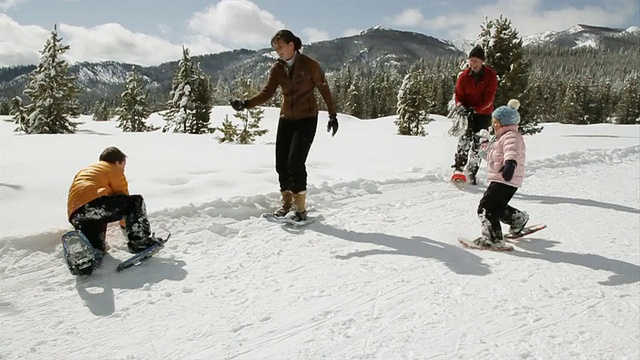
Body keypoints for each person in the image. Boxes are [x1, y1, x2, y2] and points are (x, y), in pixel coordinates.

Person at [230, 29, 338, 222]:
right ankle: (287, 203)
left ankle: (300, 207)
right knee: (281, 163)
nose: (277, 51)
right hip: (286, 118)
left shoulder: (310, 65)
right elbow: (267, 93)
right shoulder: (278, 69)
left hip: (307, 118)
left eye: (280, 46)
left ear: (292, 45)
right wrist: (245, 104)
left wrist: (332, 115)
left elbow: (324, 89)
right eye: (275, 48)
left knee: (295, 162)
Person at [67, 146, 163, 257]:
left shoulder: (87, 171)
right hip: (95, 205)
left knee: (96, 249)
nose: (123, 169)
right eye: (124, 165)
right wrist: (127, 227)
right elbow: (123, 197)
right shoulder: (113, 169)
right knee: (136, 201)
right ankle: (140, 242)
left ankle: (85, 261)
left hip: (77, 214)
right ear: (117, 162)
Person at [474, 99, 529, 248]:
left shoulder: (511, 136)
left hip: (505, 177)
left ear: (503, 123)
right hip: (503, 178)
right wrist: (484, 145)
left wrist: (510, 164)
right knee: (497, 207)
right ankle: (517, 219)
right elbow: (490, 156)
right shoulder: (499, 138)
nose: (493, 125)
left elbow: (512, 151)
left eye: (495, 122)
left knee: (485, 208)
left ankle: (493, 239)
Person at [451, 45, 498, 185]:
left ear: (482, 62)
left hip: (483, 114)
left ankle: (471, 171)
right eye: (471, 60)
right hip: (466, 112)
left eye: (476, 61)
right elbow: (458, 95)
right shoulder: (464, 77)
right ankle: (458, 169)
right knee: (464, 139)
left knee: (478, 142)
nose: (473, 64)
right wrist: (460, 106)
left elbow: (489, 99)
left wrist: (476, 109)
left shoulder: (490, 76)